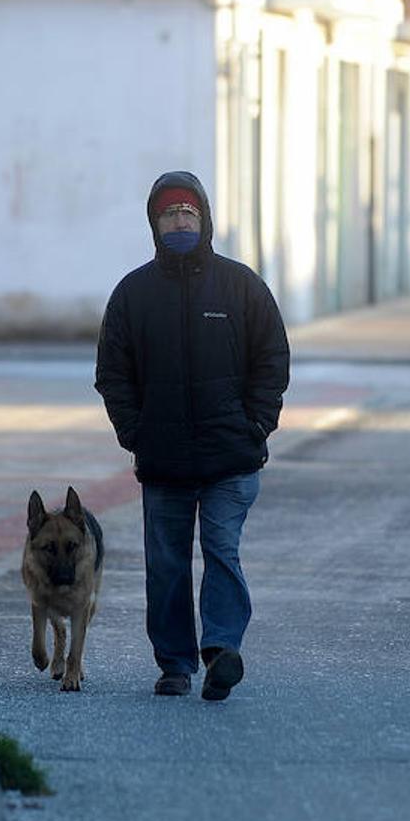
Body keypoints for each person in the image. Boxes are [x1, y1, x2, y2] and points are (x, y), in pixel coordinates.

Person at [95, 171, 290, 701]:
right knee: (167, 566)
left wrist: (256, 425)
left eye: (188, 214)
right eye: (168, 215)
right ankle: (175, 665)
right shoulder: (133, 294)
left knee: (222, 550)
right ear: (154, 224)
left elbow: (272, 357)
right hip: (163, 461)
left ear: (204, 220)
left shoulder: (240, 285)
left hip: (232, 457)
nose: (178, 222)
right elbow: (112, 372)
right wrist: (135, 431)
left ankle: (221, 651)